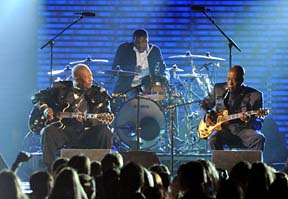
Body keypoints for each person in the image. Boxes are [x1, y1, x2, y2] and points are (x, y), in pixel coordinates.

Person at [31, 64, 114, 170]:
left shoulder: (98, 93)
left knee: (105, 131)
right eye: (87, 78)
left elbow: (106, 115)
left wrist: (89, 121)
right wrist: (46, 108)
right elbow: (36, 97)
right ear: (77, 78)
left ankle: (104, 169)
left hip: (87, 132)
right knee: (47, 131)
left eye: (91, 76)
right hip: (65, 131)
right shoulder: (60, 89)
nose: (91, 79)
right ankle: (51, 171)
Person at [200, 65, 266, 150]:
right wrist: (206, 116)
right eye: (228, 79)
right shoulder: (218, 89)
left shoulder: (255, 95)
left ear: (241, 80)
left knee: (259, 138)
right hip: (223, 130)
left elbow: (259, 123)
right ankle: (218, 163)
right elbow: (203, 105)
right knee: (213, 139)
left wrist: (249, 120)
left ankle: (255, 163)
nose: (230, 83)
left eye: (234, 80)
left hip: (243, 131)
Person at [112, 28, 168, 100]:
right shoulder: (124, 49)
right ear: (133, 41)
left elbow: (163, 68)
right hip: (129, 87)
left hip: (149, 87)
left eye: (144, 42)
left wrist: (164, 78)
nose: (141, 45)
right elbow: (115, 68)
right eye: (137, 42)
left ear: (147, 40)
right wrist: (132, 69)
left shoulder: (154, 50)